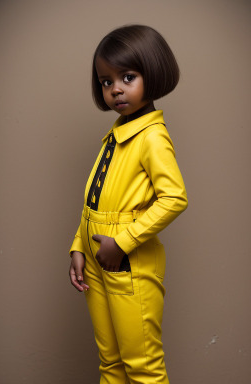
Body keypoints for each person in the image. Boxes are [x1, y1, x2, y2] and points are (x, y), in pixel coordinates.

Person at [69, 24, 188, 384]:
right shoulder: (118, 132)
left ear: (153, 74)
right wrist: (78, 245)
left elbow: (175, 197)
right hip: (96, 255)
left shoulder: (152, 137)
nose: (116, 88)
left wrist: (122, 242)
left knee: (142, 366)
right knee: (111, 362)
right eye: (106, 81)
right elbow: (97, 199)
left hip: (127, 260)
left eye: (128, 76)